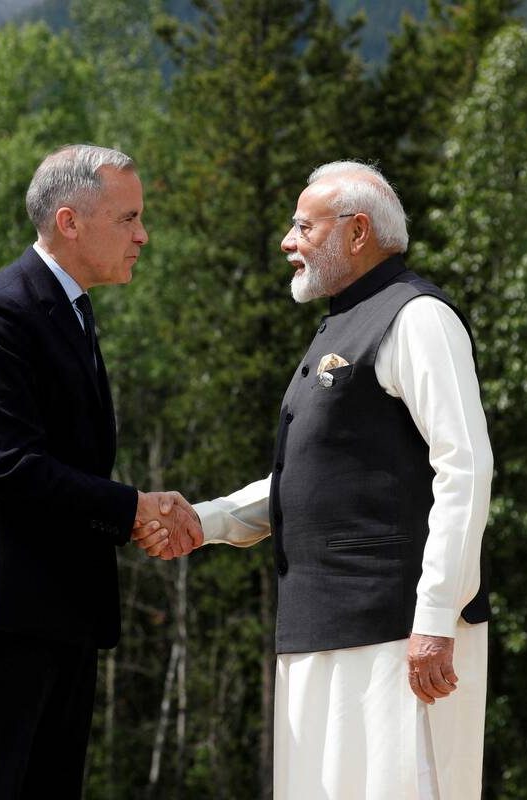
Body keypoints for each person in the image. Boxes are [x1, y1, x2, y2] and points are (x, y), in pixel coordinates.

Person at [134, 161, 492, 798]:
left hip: (397, 636)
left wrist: (437, 617)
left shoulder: (417, 318)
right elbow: (307, 480)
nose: (287, 241)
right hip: (318, 630)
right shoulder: (345, 322)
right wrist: (205, 521)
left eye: (304, 226)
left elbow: (465, 467)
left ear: (357, 233)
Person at [0, 144, 202, 799]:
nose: (143, 234)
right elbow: (12, 467)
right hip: (4, 609)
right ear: (69, 222)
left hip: (59, 607)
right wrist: (133, 509)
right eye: (128, 218)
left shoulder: (68, 309)